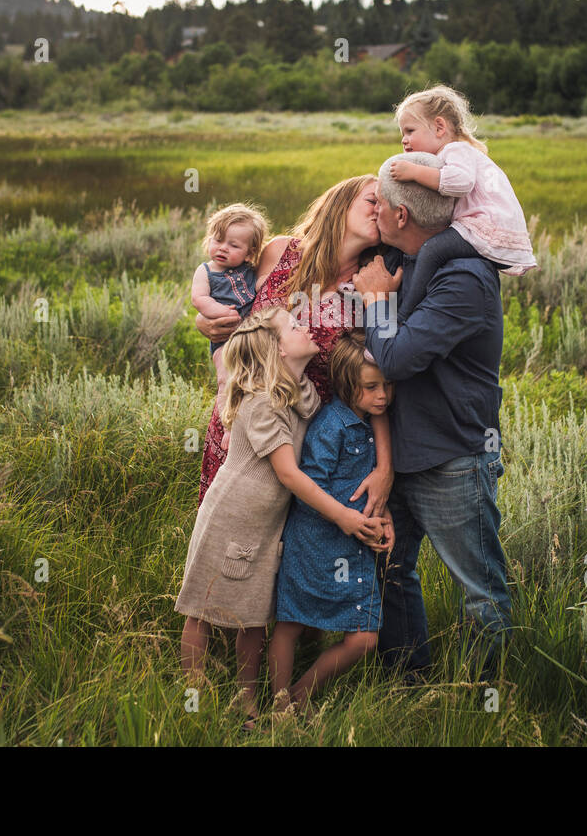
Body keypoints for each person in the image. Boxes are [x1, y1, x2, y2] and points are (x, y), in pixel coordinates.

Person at [351, 149, 512, 680]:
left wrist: (376, 303)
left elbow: (396, 358)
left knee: (479, 588)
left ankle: (484, 695)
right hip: (400, 453)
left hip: (453, 458)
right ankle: (408, 678)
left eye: (383, 207)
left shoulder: (463, 278)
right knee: (391, 570)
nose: (376, 214)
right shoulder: (409, 257)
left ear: (403, 217)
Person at [176, 307, 349, 728]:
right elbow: (288, 473)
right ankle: (192, 699)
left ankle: (245, 702)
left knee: (253, 617)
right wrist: (341, 515)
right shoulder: (262, 402)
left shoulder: (297, 391)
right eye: (293, 326)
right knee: (202, 606)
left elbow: (309, 408)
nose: (304, 325)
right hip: (232, 516)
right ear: (275, 349)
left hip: (265, 523)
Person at [195, 177, 395, 529]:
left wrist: (384, 467)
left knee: (278, 552)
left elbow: (374, 377)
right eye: (371, 201)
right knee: (221, 534)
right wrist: (205, 319)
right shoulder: (280, 252)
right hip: (238, 421)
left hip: (305, 443)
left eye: (387, 204)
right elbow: (231, 305)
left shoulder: (370, 286)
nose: (381, 209)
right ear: (341, 202)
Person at [268, 332, 395, 715]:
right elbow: (311, 486)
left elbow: (370, 487)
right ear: (345, 384)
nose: (383, 395)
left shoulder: (370, 424)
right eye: (371, 387)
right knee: (291, 622)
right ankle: (279, 706)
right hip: (315, 541)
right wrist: (350, 519)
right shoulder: (330, 426)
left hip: (353, 544)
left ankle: (301, 693)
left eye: (386, 385)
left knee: (365, 637)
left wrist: (381, 518)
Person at [387, 84, 537, 323]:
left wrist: (414, 172)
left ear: (439, 127)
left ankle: (404, 317)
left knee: (431, 250)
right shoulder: (450, 154)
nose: (404, 140)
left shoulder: (456, 150)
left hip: (484, 226)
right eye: (402, 133)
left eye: (410, 130)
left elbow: (460, 182)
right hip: (480, 224)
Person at [190, 203, 268, 417]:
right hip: (224, 339)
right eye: (218, 240)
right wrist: (220, 312)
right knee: (226, 379)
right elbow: (199, 299)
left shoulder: (251, 269)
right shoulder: (205, 271)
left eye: (233, 245)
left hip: (252, 338)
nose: (223, 248)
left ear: (249, 253)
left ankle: (248, 418)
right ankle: (227, 425)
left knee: (252, 379)